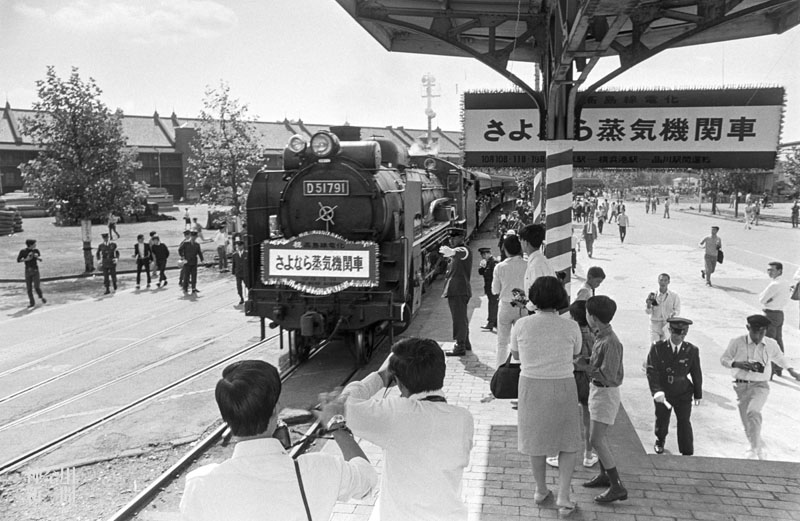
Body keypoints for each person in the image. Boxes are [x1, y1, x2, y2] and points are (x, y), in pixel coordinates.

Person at [179, 360, 377, 521]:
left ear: (226, 418)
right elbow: (367, 479)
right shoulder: (319, 469)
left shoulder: (200, 485)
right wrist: (336, 424)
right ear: (276, 409)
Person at [319, 337, 474, 521]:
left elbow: (341, 404)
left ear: (399, 382)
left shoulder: (397, 414)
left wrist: (381, 377)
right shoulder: (464, 419)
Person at [509, 276, 581, 516]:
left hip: (530, 386)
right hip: (563, 385)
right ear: (560, 298)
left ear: (534, 298)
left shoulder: (521, 325)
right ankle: (563, 495)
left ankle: (540, 490)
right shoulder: (570, 326)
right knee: (568, 441)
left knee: (535, 440)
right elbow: (577, 352)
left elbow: (516, 356)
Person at [720, 314, 800, 460]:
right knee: (747, 422)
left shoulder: (771, 344)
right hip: (740, 386)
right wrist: (737, 364)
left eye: (762, 332)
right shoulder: (737, 342)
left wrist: (791, 370)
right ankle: (758, 446)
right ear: (748, 328)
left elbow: (780, 358)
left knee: (753, 412)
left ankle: (754, 448)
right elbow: (724, 359)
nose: (758, 336)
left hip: (760, 386)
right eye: (755, 332)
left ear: (766, 331)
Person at [582, 295, 627, 503]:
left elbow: (608, 375)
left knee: (596, 440)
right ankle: (604, 476)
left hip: (605, 393)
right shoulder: (601, 336)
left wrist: (585, 367)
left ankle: (617, 485)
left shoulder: (611, 342)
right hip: (598, 391)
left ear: (593, 317)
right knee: (596, 437)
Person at [645, 317, 702, 456]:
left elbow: (696, 373)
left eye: (682, 334)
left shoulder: (691, 350)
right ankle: (660, 439)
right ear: (670, 331)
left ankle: (687, 449)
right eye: (676, 333)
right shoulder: (658, 348)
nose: (679, 337)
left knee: (684, 421)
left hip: (683, 392)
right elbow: (652, 370)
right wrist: (656, 391)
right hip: (665, 391)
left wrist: (698, 394)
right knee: (662, 419)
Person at [491, 235, 527, 368]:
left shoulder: (500, 267)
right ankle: (521, 368)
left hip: (505, 306)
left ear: (505, 249)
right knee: (521, 341)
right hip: (522, 305)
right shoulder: (527, 265)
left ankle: (500, 370)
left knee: (502, 342)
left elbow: (495, 290)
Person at [440, 234, 472, 356]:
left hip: (459, 290)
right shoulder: (457, 253)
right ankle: (466, 342)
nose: (451, 239)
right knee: (462, 317)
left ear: (462, 238)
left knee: (458, 318)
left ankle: (460, 346)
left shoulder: (464, 250)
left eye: (454, 237)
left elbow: (460, 252)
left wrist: (452, 251)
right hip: (457, 290)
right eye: (450, 238)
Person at [759, 261, 789, 378]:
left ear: (779, 271)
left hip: (769, 314)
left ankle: (769, 371)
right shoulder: (785, 283)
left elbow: (762, 299)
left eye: (772, 270)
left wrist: (768, 300)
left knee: (769, 343)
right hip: (780, 314)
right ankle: (779, 368)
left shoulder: (774, 285)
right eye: (768, 270)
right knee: (778, 341)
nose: (769, 272)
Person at [519, 224, 555, 305]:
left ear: (525, 242)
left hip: (540, 312)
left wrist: (525, 303)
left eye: (520, 240)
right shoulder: (542, 260)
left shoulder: (535, 266)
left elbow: (538, 297)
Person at [645, 273, 681, 343]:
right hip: (655, 325)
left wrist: (673, 314)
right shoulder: (653, 295)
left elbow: (677, 310)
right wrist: (649, 305)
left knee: (665, 348)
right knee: (655, 347)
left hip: (667, 325)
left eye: (665, 280)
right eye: (661, 280)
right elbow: (648, 312)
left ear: (668, 282)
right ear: (658, 281)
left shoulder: (674, 295)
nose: (663, 282)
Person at [17, 239, 47, 308]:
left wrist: (38, 257)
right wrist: (25, 259)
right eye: (34, 244)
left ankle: (41, 297)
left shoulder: (36, 251)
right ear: (30, 245)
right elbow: (18, 260)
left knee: (36, 287)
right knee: (29, 288)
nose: (35, 245)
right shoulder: (23, 251)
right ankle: (32, 303)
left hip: (35, 270)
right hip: (27, 271)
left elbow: (40, 257)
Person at [478, 247, 498, 331]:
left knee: (492, 305)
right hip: (489, 288)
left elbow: (496, 276)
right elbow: (481, 272)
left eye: (483, 256)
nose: (483, 258)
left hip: (493, 288)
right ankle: (495, 322)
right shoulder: (488, 262)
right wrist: (482, 267)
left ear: (486, 254)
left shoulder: (494, 262)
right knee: (493, 304)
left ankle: (491, 323)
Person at [231, 240, 247, 305]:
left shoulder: (247, 253)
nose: (239, 247)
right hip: (238, 273)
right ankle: (241, 298)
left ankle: (249, 297)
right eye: (238, 246)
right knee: (239, 287)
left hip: (245, 273)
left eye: (240, 246)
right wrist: (233, 272)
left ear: (243, 246)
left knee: (248, 286)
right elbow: (233, 264)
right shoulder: (234, 255)